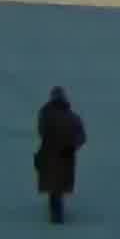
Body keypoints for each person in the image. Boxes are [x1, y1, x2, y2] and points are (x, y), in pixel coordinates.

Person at [35, 88, 87, 225]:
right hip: (66, 154)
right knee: (59, 184)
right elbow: (82, 136)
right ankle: (57, 213)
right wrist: (72, 146)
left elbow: (41, 131)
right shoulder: (72, 117)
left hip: (49, 152)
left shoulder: (45, 114)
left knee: (53, 185)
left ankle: (55, 212)